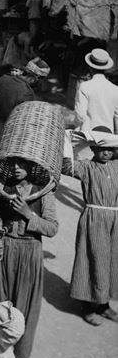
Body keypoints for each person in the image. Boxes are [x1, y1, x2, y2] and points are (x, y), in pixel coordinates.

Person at [0, 157, 58, 358]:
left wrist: (28, 214)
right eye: (13, 164)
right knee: (0, 298)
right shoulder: (3, 188)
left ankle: (19, 351)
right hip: (3, 250)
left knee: (24, 303)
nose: (16, 168)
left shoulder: (44, 191)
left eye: (22, 164)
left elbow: (52, 228)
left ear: (32, 165)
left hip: (29, 252)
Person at [62, 128, 118, 325]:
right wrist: (78, 139)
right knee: (93, 258)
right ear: (93, 149)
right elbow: (65, 166)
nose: (106, 153)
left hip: (114, 219)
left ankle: (103, 305)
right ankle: (87, 305)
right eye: (101, 148)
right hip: (94, 218)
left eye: (110, 149)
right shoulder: (86, 167)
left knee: (111, 261)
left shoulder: (116, 166)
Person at [0, 58, 50, 173]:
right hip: (10, 144)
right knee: (4, 182)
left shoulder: (3, 79)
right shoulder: (27, 94)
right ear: (34, 79)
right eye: (41, 81)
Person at [75, 48, 118, 134]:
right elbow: (117, 117)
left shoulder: (85, 86)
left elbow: (80, 115)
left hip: (88, 135)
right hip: (107, 136)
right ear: (105, 68)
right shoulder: (115, 89)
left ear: (90, 67)